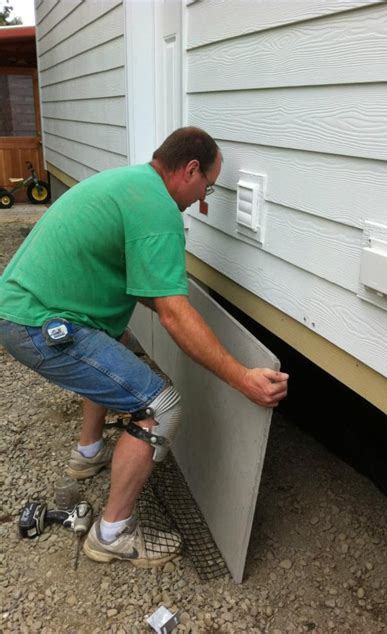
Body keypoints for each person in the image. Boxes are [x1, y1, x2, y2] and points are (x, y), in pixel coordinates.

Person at [0, 127, 289, 568]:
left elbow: (154, 295)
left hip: (24, 306)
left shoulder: (132, 185)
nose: (202, 199)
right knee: (161, 405)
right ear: (189, 169)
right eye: (206, 186)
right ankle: (112, 533)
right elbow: (173, 313)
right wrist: (242, 377)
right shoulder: (158, 211)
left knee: (116, 349)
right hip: (39, 325)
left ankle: (89, 453)